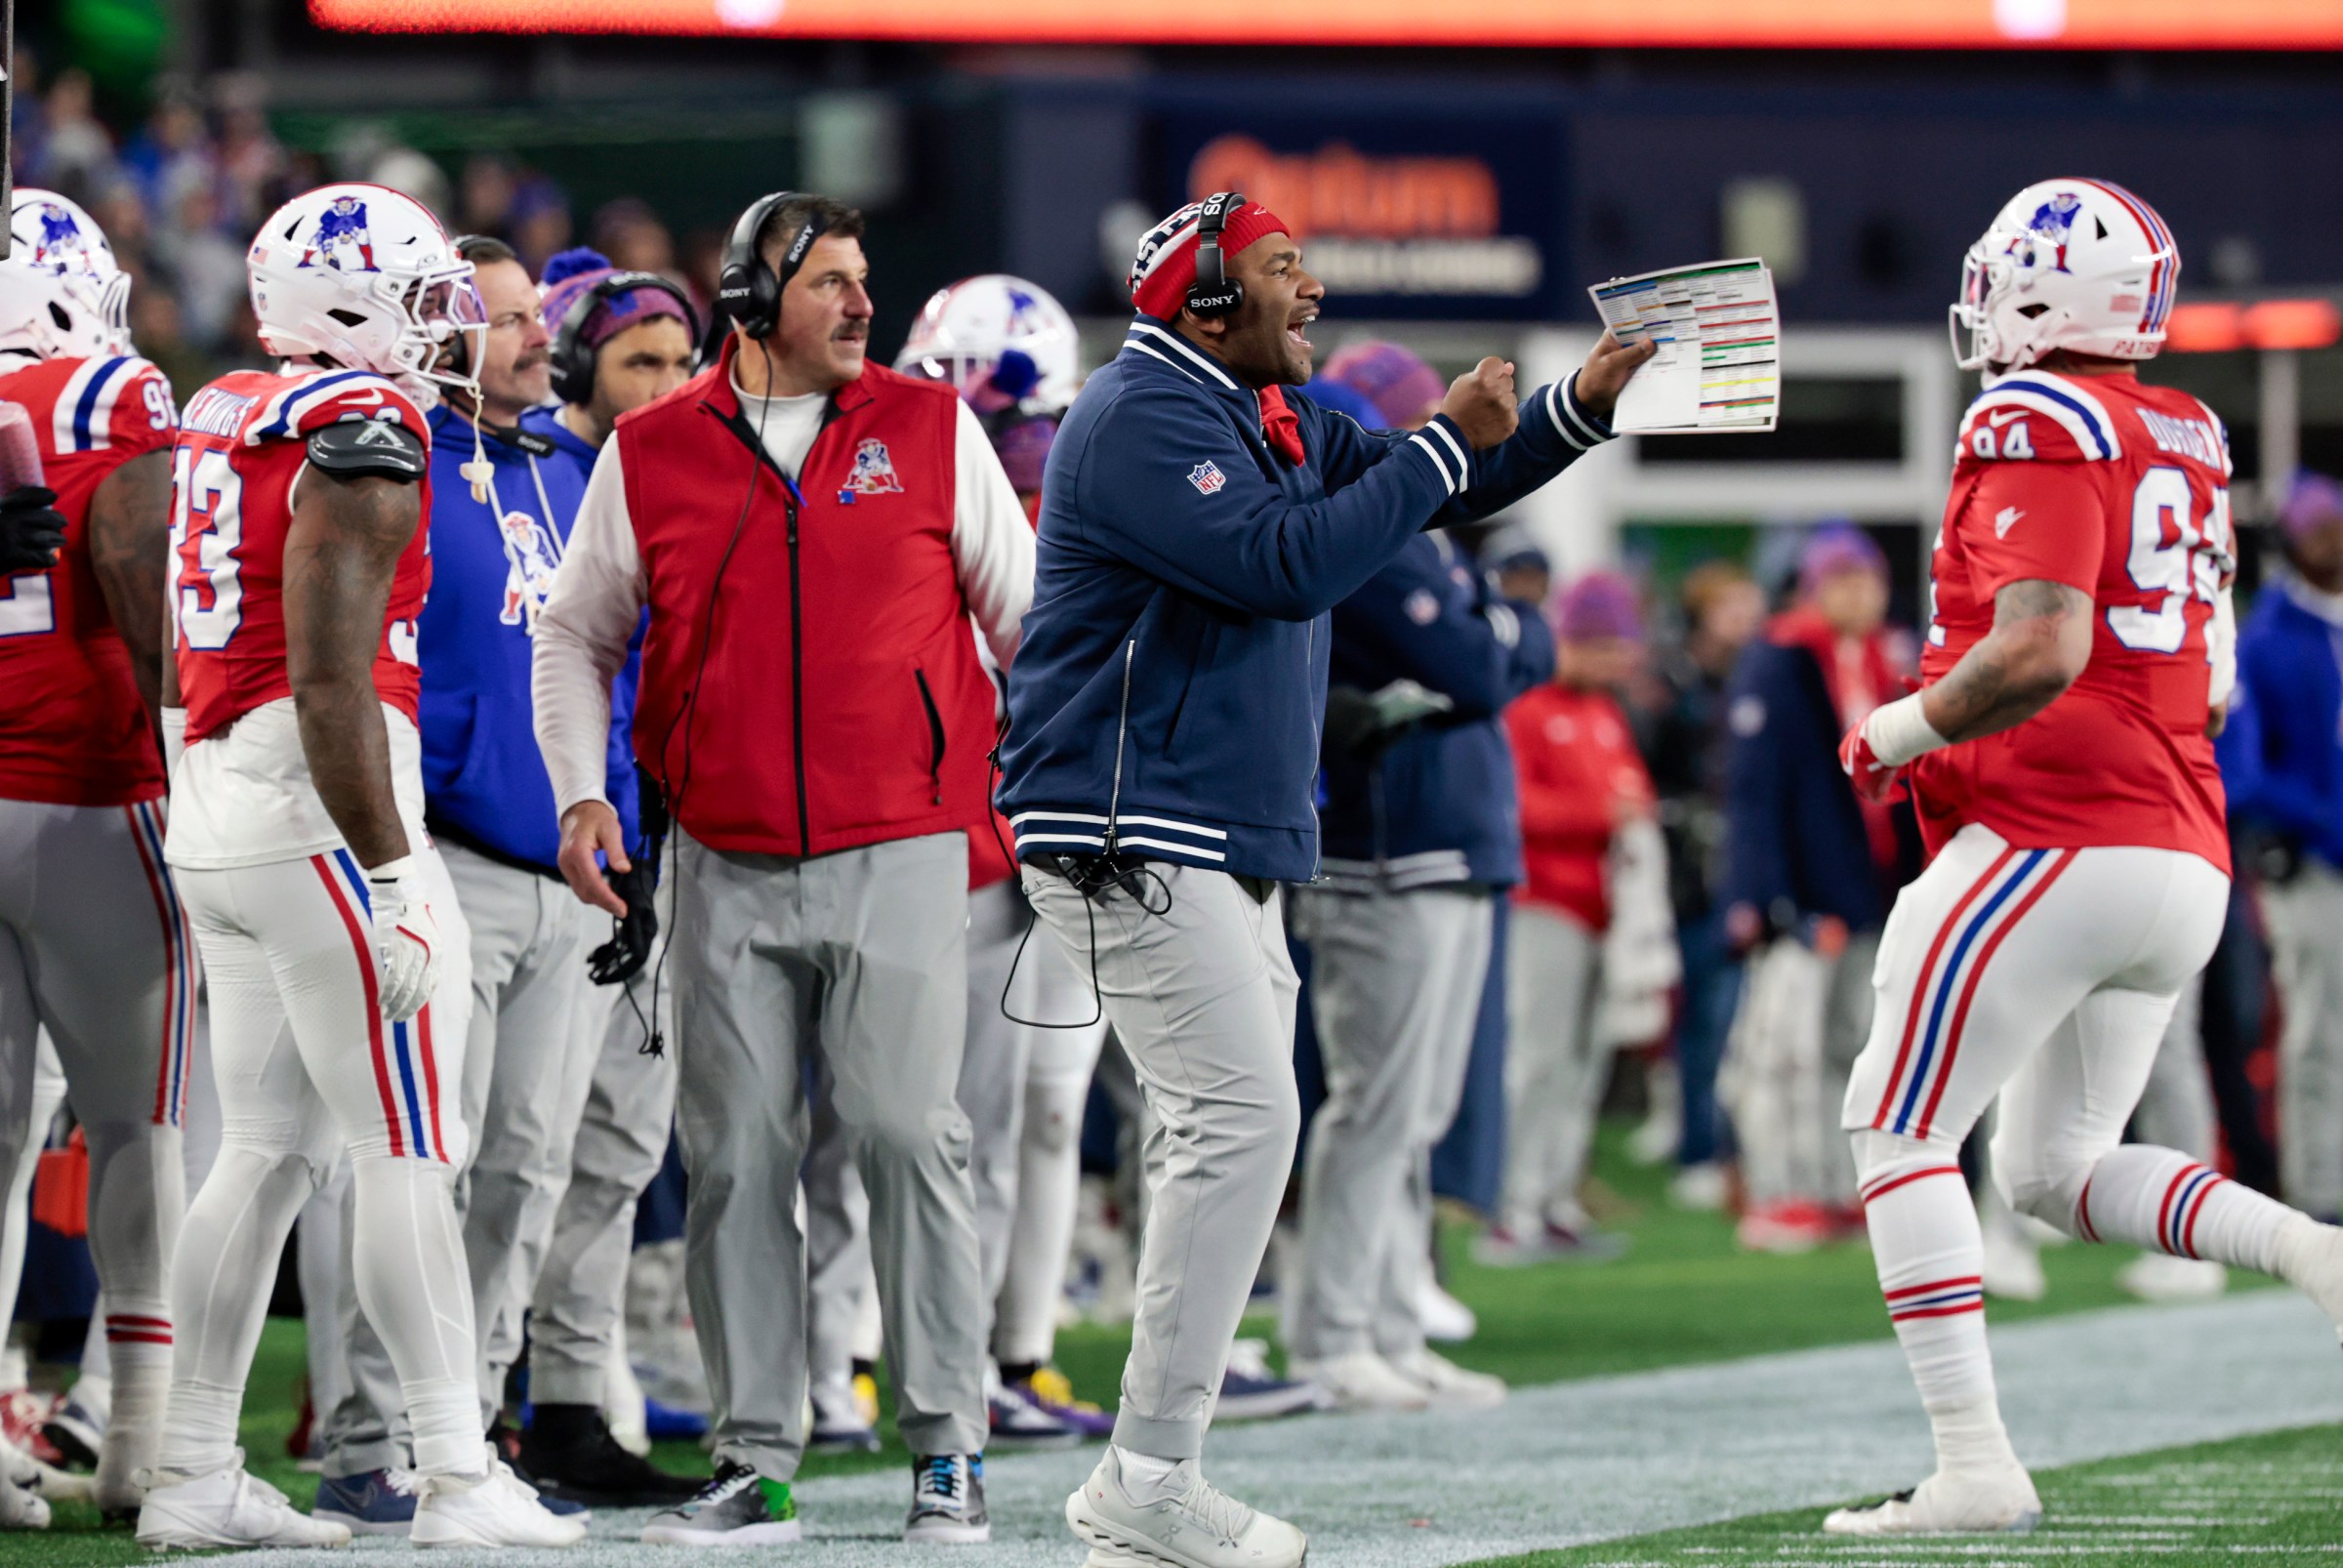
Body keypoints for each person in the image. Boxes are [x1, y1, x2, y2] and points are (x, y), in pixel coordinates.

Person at [1000, 189, 1650, 1568]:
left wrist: (1578, 406)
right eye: (1286, 270)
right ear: (1207, 299)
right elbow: (1283, 564)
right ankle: (1150, 1471)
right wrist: (1427, 445)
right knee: (1243, 1125)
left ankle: (1146, 1474)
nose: (1314, 295)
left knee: (1232, 1129)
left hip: (1210, 828)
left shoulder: (1266, 412)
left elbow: (1446, 482)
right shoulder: (1139, 413)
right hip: (1128, 821)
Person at [1828, 178, 2343, 1537]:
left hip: (2058, 829)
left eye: (2006, 270)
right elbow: (2210, 678)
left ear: (2051, 290)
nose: (1986, 292)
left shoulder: (2034, 412)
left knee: (1896, 1127)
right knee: (2052, 1170)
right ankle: (2311, 1249)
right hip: (2183, 845)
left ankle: (1975, 1464)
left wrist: (1895, 724)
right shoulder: (2186, 424)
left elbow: (2043, 643)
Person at [532, 190, 1033, 1547]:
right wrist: (583, 790)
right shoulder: (651, 450)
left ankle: (947, 1445)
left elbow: (1026, 620)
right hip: (719, 852)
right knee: (738, 1158)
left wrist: (1032, 799)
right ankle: (755, 1455)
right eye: (831, 282)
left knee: (904, 1131)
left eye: (866, 277)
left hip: (907, 836)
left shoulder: (934, 430)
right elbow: (574, 634)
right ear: (754, 305)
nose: (862, 303)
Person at [137, 183, 581, 1550]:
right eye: (427, 292)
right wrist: (392, 873)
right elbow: (333, 681)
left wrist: (200, 786)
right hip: (322, 807)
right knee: (408, 1148)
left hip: (220, 792)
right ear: (348, 302)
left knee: (264, 1152)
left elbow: (177, 646)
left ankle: (192, 1472)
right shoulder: (363, 428)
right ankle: (455, 1472)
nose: (450, 322)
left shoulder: (224, 408)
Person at [1286, 337, 1555, 1410]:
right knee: (1375, 1106)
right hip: (1386, 849)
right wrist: (1509, 622)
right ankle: (1332, 1330)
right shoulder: (1382, 527)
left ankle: (1388, 1323)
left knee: (1415, 1113)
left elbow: (1498, 652)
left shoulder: (1426, 533)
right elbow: (1486, 663)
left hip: (1439, 843)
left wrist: (1504, 626)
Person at [0, 187, 186, 1527]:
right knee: (138, 1120)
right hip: (89, 789)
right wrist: (198, 760)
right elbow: (140, 562)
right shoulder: (110, 394)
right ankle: (139, 1438)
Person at [521, 246, 704, 1489]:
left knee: (622, 1147)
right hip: (547, 849)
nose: (671, 383)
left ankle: (574, 1401)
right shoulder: (525, 475)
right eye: (643, 360)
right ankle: (464, 1398)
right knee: (509, 1147)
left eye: (686, 360)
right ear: (582, 363)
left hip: (667, 845)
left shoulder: (694, 472)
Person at [1718, 527, 1915, 1253]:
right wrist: (1770, 898)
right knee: (1780, 1053)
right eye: (1843, 580)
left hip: (1868, 889)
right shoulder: (1779, 661)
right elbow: (1753, 793)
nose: (1860, 594)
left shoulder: (1886, 660)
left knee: (1854, 1047)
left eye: (1868, 580)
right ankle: (1778, 1190)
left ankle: (1838, 1186)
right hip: (1802, 899)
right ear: (1812, 586)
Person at [1485, 571, 1655, 1264]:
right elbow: (1512, 805)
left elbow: (1633, 787)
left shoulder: (1602, 712)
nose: (1620, 662)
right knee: (1537, 1056)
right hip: (1545, 901)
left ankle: (1554, 1197)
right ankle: (1511, 1207)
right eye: (1609, 646)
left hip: (1603, 908)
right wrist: (1599, 817)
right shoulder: (1528, 705)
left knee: (1583, 1063)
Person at [2232, 473, 2343, 1222]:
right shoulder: (2266, 638)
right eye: (2317, 527)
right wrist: (2326, 822)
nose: (2331, 539)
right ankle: (2322, 1191)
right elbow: (2243, 772)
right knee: (2318, 1025)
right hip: (2310, 862)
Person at [1635, 562, 1763, 1209]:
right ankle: (1696, 1145)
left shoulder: (1754, 678)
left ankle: (1722, 1145)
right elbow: (1648, 773)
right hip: (1683, 872)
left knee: (1729, 1017)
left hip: (1734, 868)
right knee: (1698, 1017)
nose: (1745, 620)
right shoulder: (1671, 684)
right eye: (1731, 608)